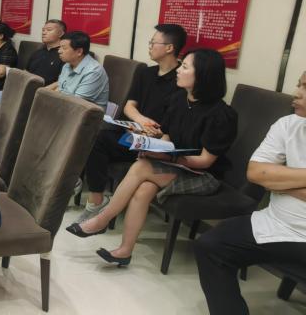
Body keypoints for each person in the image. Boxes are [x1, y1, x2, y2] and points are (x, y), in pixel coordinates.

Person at [67, 49, 237, 267]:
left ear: (203, 76)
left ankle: (102, 219)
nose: (179, 71)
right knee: (144, 188)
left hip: (203, 175)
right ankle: (124, 251)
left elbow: (205, 161)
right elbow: (167, 134)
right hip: (176, 165)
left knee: (142, 167)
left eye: (185, 67)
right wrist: (154, 146)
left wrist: (165, 157)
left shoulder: (221, 114)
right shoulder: (179, 99)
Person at [194, 71, 306, 315]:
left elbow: (270, 176)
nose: (297, 93)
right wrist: (274, 179)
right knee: (210, 246)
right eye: (299, 85)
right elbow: (256, 173)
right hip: (276, 224)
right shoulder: (288, 124)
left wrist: (280, 180)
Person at [76, 24, 187, 222]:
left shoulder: (182, 80)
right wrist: (141, 121)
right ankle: (96, 201)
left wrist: (153, 132)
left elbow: (176, 120)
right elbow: (129, 106)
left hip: (159, 140)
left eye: (153, 43)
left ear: (169, 48)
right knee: (97, 138)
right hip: (134, 132)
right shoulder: (146, 73)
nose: (150, 46)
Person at [0, 19, 66, 128]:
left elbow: (61, 81)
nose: (44, 32)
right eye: (43, 30)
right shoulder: (38, 52)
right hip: (25, 89)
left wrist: (40, 91)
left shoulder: (64, 54)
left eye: (49, 30)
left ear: (61, 33)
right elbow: (26, 72)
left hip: (42, 94)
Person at [48, 31, 110, 110]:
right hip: (64, 107)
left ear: (79, 52)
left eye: (64, 48)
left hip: (83, 113)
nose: (59, 51)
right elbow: (60, 88)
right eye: (59, 47)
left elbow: (76, 105)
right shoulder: (67, 64)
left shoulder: (94, 71)